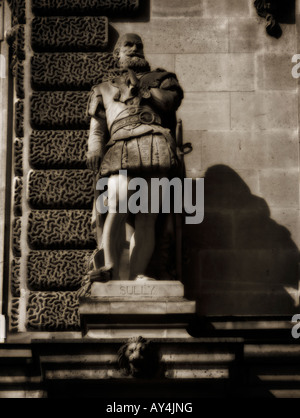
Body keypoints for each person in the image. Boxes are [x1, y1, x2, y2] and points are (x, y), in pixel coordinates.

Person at [86, 33, 183, 282]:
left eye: (138, 45)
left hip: (155, 141)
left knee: (148, 216)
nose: (135, 48)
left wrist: (144, 90)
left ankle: (138, 273)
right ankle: (108, 265)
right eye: (128, 45)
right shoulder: (103, 88)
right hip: (120, 144)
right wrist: (94, 148)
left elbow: (170, 103)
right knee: (118, 203)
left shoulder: (162, 80)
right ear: (117, 53)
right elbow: (97, 128)